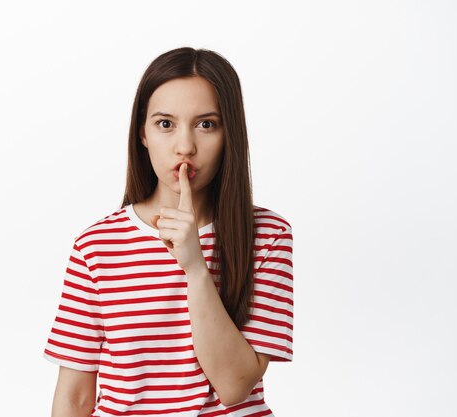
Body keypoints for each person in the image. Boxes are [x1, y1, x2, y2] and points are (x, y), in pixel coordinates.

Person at [42, 46, 294, 417]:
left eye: (206, 124)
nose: (185, 147)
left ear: (230, 134)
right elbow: (75, 397)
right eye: (165, 124)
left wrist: (195, 266)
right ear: (142, 133)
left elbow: (235, 386)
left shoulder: (267, 236)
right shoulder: (95, 247)